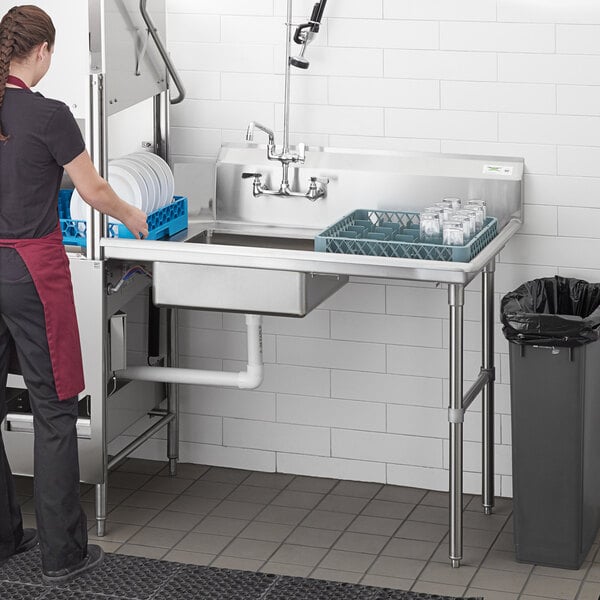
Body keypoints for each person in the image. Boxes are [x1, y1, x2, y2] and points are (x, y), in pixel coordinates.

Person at [0, 4, 148, 583]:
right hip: (31, 272)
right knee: (55, 408)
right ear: (41, 52)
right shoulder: (51, 114)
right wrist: (132, 213)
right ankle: (63, 554)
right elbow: (95, 190)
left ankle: (6, 539)